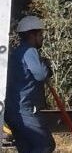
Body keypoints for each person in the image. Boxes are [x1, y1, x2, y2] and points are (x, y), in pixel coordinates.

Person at [4, 15, 55, 153]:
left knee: (27, 149)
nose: (42, 37)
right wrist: (45, 65)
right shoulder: (30, 50)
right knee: (46, 145)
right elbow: (41, 75)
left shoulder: (16, 52)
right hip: (25, 111)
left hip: (12, 112)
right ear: (33, 35)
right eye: (40, 34)